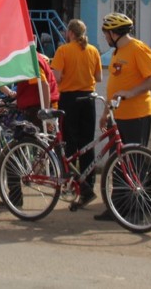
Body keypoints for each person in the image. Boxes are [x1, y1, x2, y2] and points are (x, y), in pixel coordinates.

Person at [95, 12, 151, 220]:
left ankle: (137, 210)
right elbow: (115, 87)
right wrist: (106, 112)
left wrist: (131, 93)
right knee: (117, 163)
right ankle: (118, 207)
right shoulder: (117, 51)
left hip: (137, 114)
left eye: (106, 33)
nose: (105, 37)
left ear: (114, 33)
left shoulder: (138, 49)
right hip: (119, 116)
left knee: (134, 163)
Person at [51, 18, 103, 208]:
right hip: (88, 98)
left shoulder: (63, 50)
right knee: (87, 143)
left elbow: (56, 76)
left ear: (70, 33)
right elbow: (98, 77)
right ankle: (88, 184)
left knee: (70, 144)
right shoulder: (93, 50)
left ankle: (74, 184)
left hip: (69, 99)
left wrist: (66, 77)